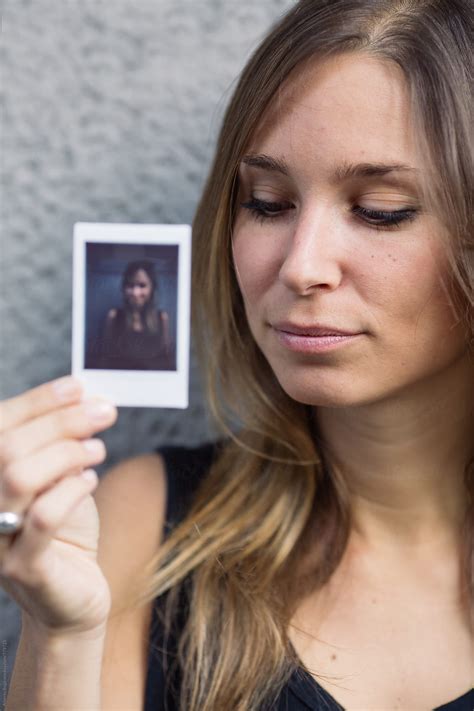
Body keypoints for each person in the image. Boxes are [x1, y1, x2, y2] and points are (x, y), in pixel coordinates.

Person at [1, 0, 473, 709]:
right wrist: (62, 633)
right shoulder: (141, 523)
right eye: (268, 201)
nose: (300, 265)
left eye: (380, 208)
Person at [87, 259, 174, 371]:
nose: (135, 292)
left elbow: (167, 361)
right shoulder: (113, 316)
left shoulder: (162, 318)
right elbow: (105, 359)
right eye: (130, 285)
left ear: (152, 288)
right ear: (123, 288)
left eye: (142, 285)